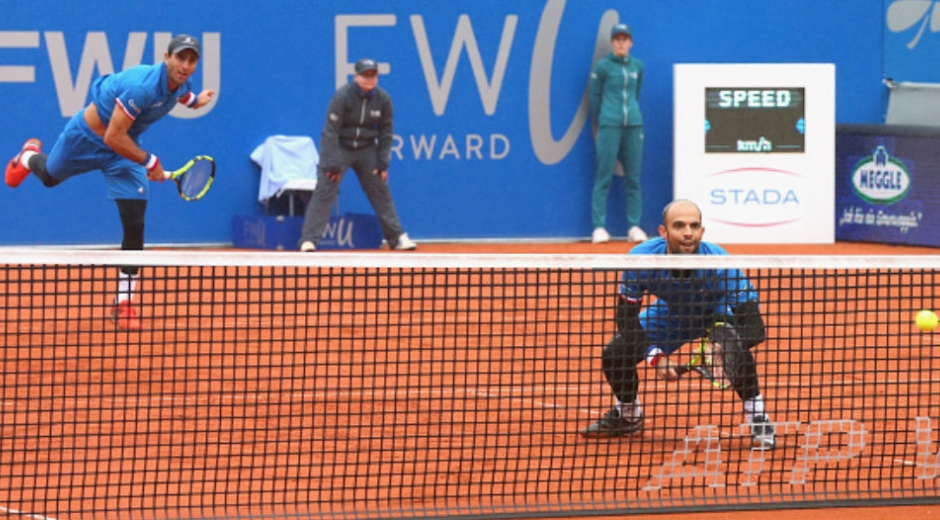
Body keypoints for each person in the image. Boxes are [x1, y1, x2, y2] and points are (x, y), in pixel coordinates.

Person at [5, 34, 216, 331]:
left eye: (191, 60)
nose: (185, 65)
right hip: (88, 138)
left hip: (123, 151)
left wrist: (197, 101)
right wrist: (151, 162)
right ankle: (27, 157)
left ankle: (124, 302)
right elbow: (112, 137)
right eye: (180, 58)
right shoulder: (140, 87)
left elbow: (181, 95)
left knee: (135, 223)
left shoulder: (180, 83)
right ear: (166, 57)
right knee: (50, 177)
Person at [580, 199, 776, 449]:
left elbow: (755, 327)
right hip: (670, 314)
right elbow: (626, 318)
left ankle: (758, 418)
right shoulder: (641, 259)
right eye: (679, 226)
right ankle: (628, 416)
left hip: (714, 313)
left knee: (739, 351)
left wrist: (727, 344)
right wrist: (655, 356)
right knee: (615, 354)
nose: (687, 233)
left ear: (702, 232)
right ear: (663, 231)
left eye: (694, 226)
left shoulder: (719, 262)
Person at [299, 58, 416, 252]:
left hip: (367, 150)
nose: (370, 79)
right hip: (340, 147)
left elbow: (386, 133)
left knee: (380, 189)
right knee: (325, 190)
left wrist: (382, 163)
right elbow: (330, 132)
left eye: (373, 75)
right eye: (365, 75)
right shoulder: (342, 96)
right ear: (356, 77)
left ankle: (396, 238)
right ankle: (308, 240)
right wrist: (331, 163)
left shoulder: (384, 100)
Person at [589, 23, 648, 244]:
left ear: (630, 42)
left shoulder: (638, 66)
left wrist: (630, 115)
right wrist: (606, 117)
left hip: (633, 126)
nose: (621, 43)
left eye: (625, 39)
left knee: (633, 178)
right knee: (603, 175)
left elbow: (637, 92)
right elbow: (594, 98)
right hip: (609, 126)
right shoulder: (603, 67)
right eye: (617, 39)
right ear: (612, 42)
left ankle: (634, 227)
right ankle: (599, 228)